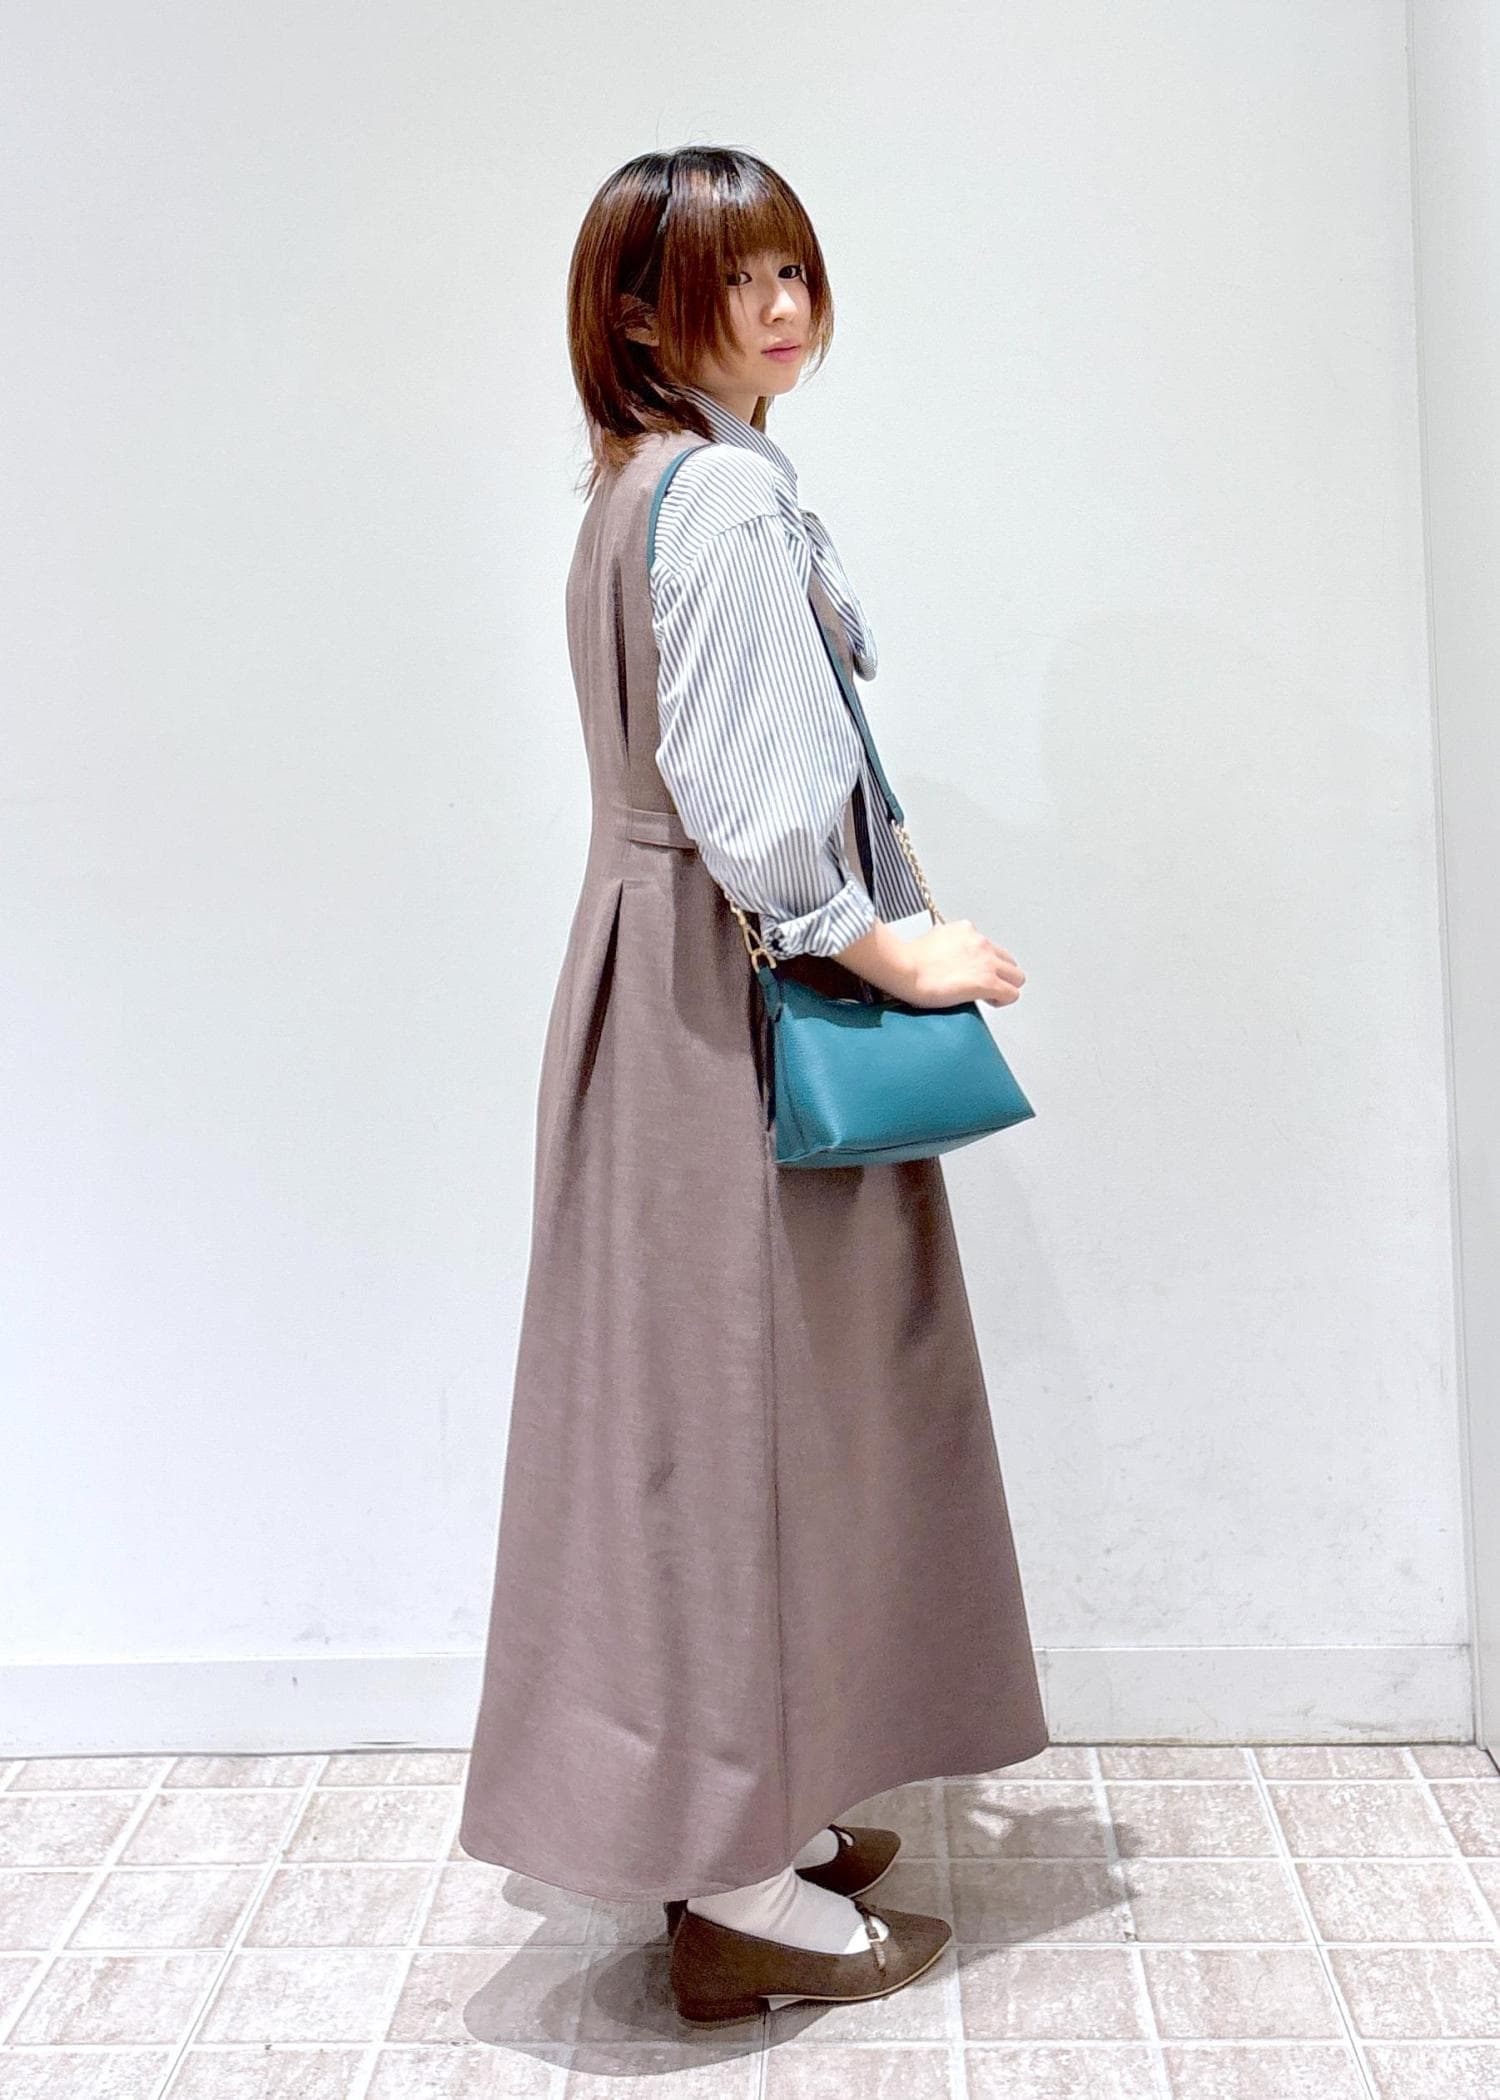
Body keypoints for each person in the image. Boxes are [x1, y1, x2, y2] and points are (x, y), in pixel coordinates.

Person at [457, 144, 1048, 2026]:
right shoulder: (713, 497)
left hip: (663, 985)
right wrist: (892, 949)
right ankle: (735, 1892)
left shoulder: (642, 484)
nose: (784, 307)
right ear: (642, 315)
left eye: (795, 268)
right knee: (733, 1425)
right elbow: (750, 791)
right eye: (737, 278)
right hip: (730, 1008)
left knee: (711, 1415)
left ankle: (744, 1815)